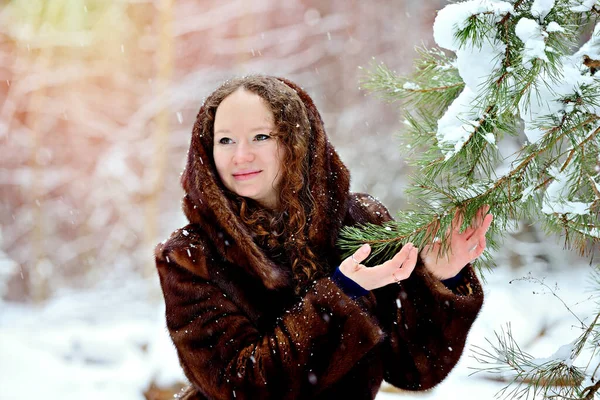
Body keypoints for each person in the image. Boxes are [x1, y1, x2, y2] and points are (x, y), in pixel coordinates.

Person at [154, 75, 493, 400]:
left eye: (261, 136)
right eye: (225, 140)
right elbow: (240, 387)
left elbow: (416, 368)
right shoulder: (189, 257)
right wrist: (341, 295)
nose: (240, 155)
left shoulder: (360, 222)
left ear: (296, 141)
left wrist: (441, 277)